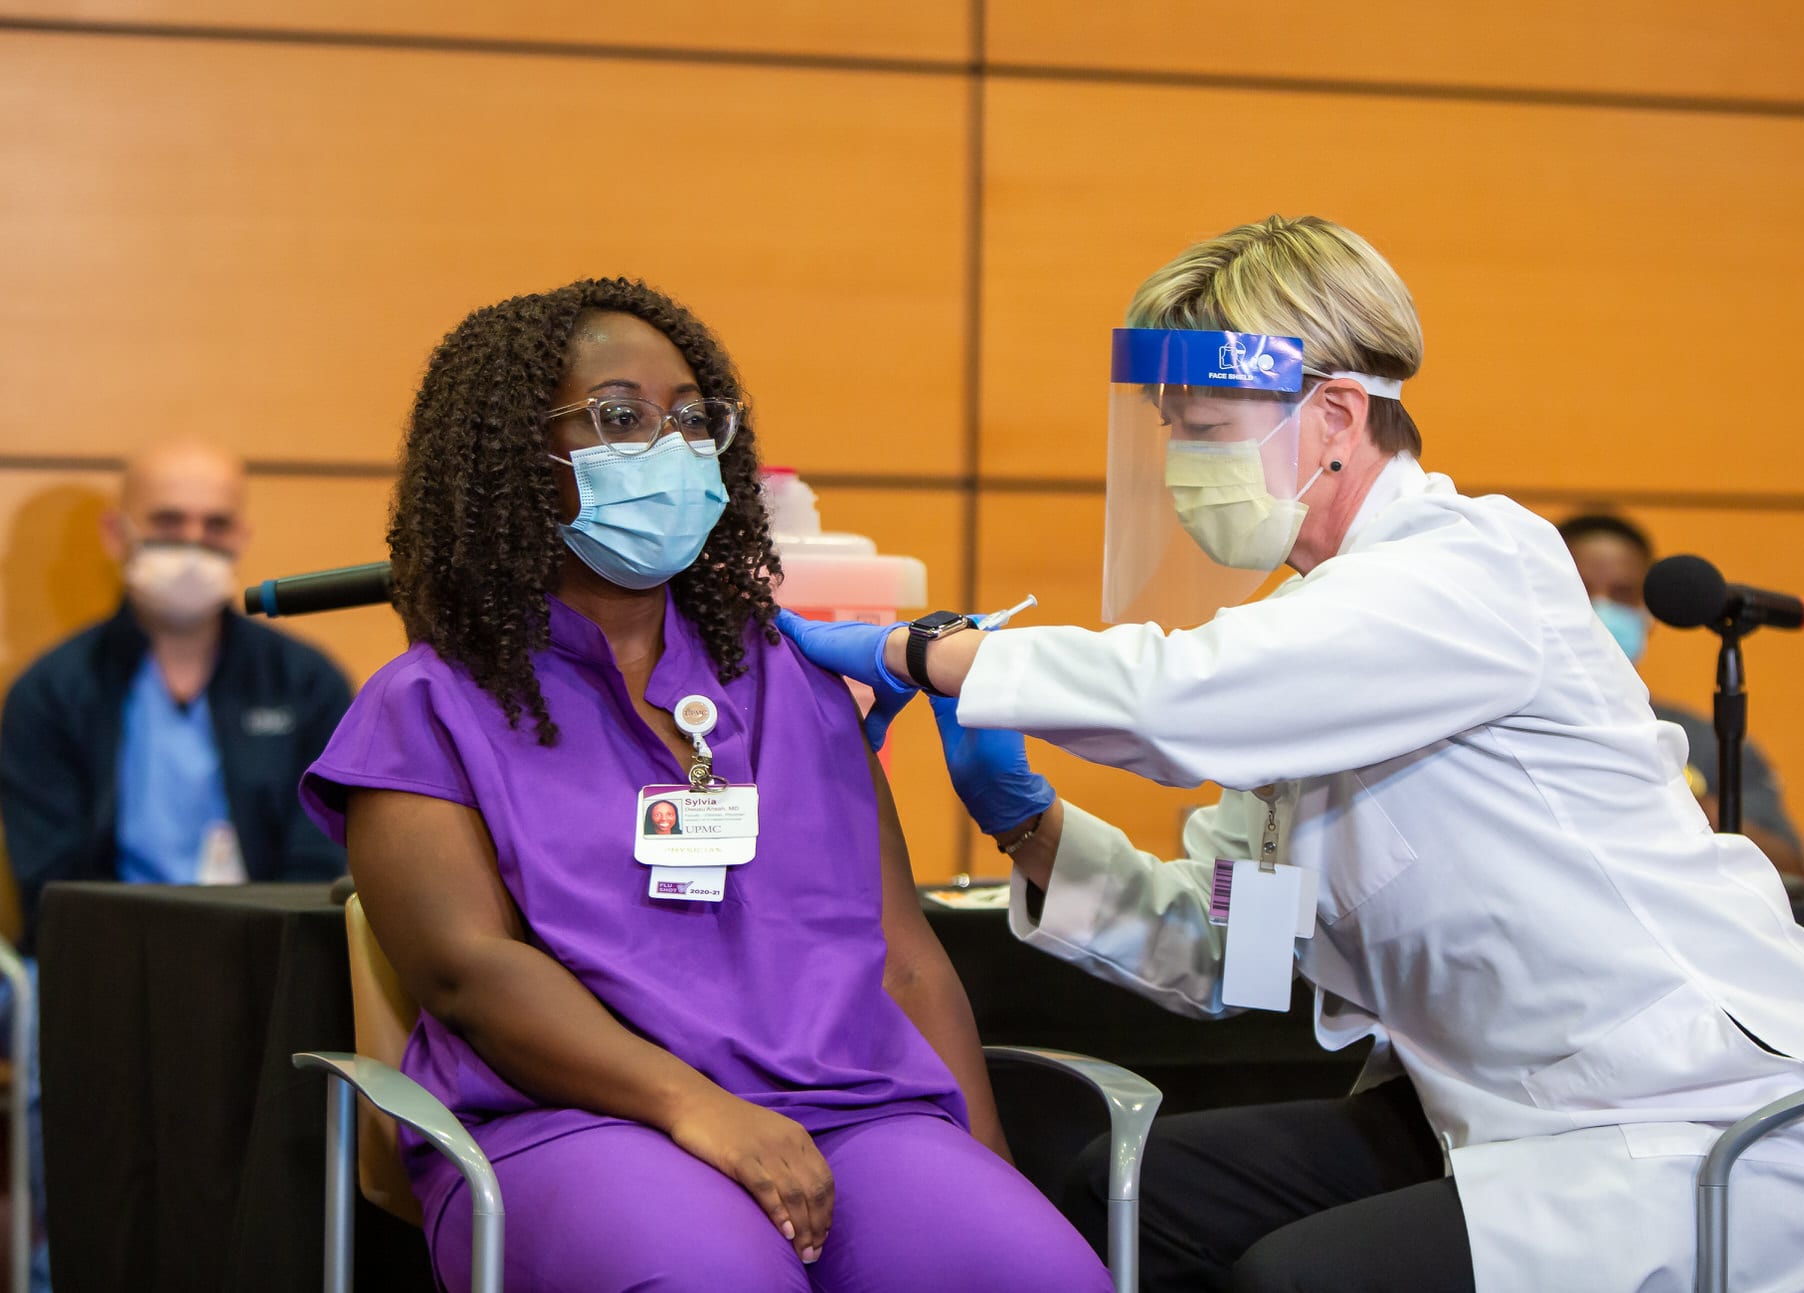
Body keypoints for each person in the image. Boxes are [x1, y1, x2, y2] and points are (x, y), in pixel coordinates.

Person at [778, 216, 1804, 1292]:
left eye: (1207, 429)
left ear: (1332, 417)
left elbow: (1187, 695)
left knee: (1303, 1281)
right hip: (1511, 1123)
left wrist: (925, 653)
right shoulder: (1318, 643)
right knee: (1125, 1191)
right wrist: (1030, 825)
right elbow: (1224, 951)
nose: (1182, 462)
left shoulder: (1469, 569)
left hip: (1711, 1131)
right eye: (1170, 430)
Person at [297, 279, 1108, 1293]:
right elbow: (468, 973)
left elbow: (905, 960)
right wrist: (698, 1108)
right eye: (621, 418)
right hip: (574, 1121)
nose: (673, 447)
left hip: (851, 1110)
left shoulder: (794, 680)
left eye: (692, 418)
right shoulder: (425, 706)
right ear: (513, 457)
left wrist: (986, 1173)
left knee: (1030, 1276)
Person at [0, 438, 352, 1291]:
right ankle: (65, 1269)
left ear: (243, 534)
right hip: (96, 962)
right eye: (167, 521)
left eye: (214, 523)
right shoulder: (53, 691)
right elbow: (48, 877)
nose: (191, 542)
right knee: (54, 1052)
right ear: (118, 532)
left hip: (269, 959)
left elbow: (327, 853)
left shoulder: (305, 682)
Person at [1558, 511, 1804, 894]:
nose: (1601, 608)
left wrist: (1683, 805)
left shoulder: (1701, 739)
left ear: (1650, 610)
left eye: (1623, 594)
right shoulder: (1504, 727)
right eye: (1580, 590)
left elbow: (1793, 869)